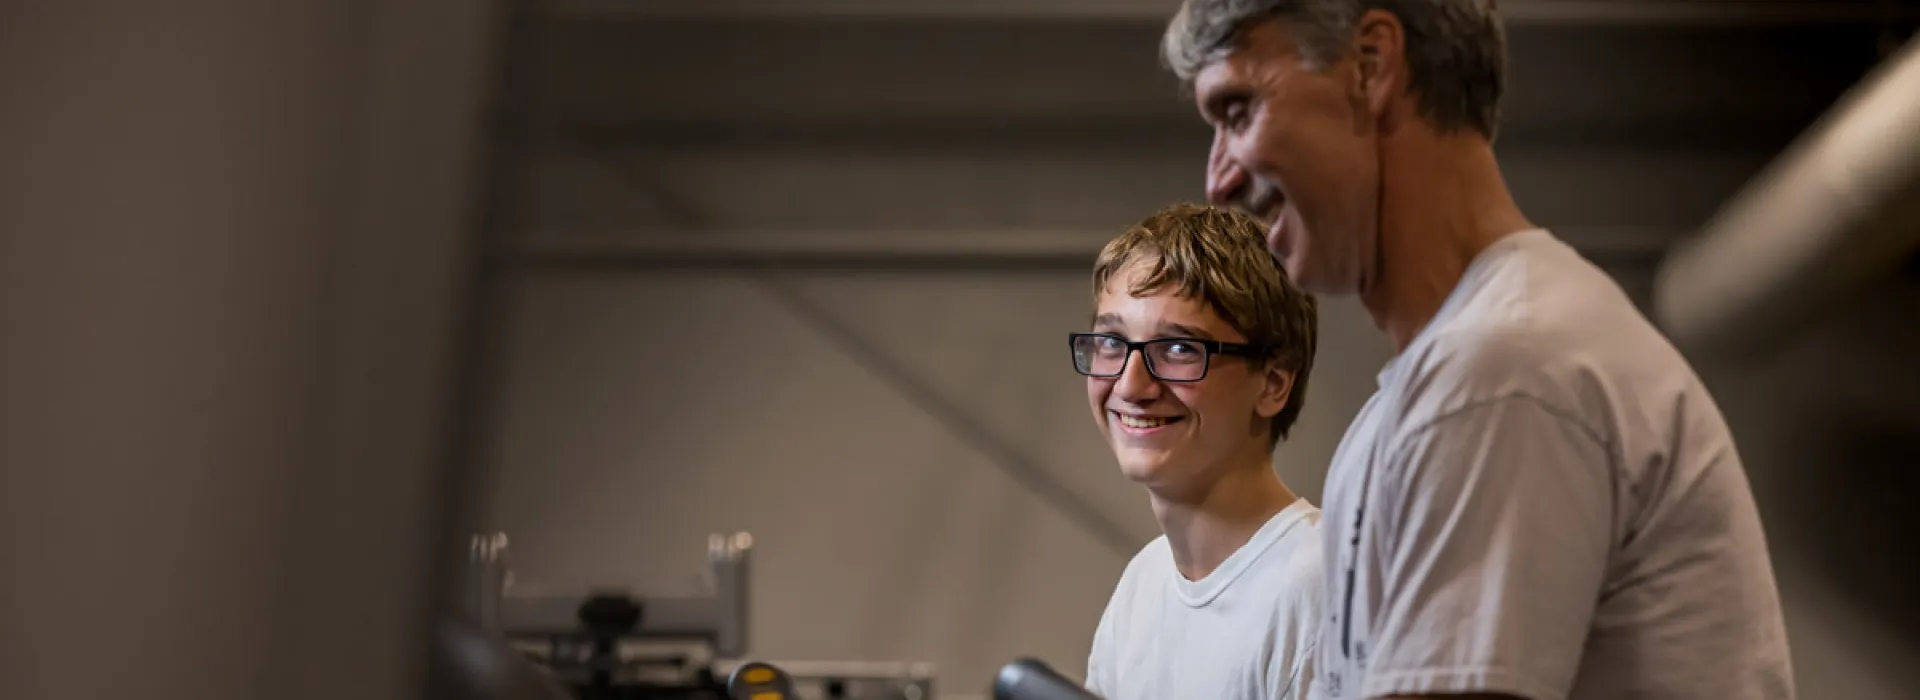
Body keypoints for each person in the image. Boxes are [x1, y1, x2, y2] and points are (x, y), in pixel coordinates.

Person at [1155, 2, 1796, 700]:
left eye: (1239, 110)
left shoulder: (1507, 369)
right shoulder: (1410, 410)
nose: (1219, 182)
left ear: (1371, 64)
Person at [1077, 203, 1324, 700]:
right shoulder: (1143, 586)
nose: (1131, 384)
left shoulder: (1320, 589)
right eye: (1111, 341)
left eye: (1179, 349)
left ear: (1273, 383)